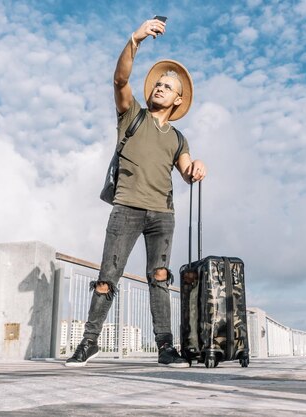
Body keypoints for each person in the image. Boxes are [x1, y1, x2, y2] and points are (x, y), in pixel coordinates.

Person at [66, 18, 206, 367]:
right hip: (126, 208)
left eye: (167, 86)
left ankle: (164, 348)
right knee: (106, 278)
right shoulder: (132, 115)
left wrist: (196, 168)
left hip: (163, 215)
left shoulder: (177, 138)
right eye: (157, 83)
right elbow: (120, 79)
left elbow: (187, 172)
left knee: (159, 278)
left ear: (178, 99)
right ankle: (88, 343)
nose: (160, 87)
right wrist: (135, 39)